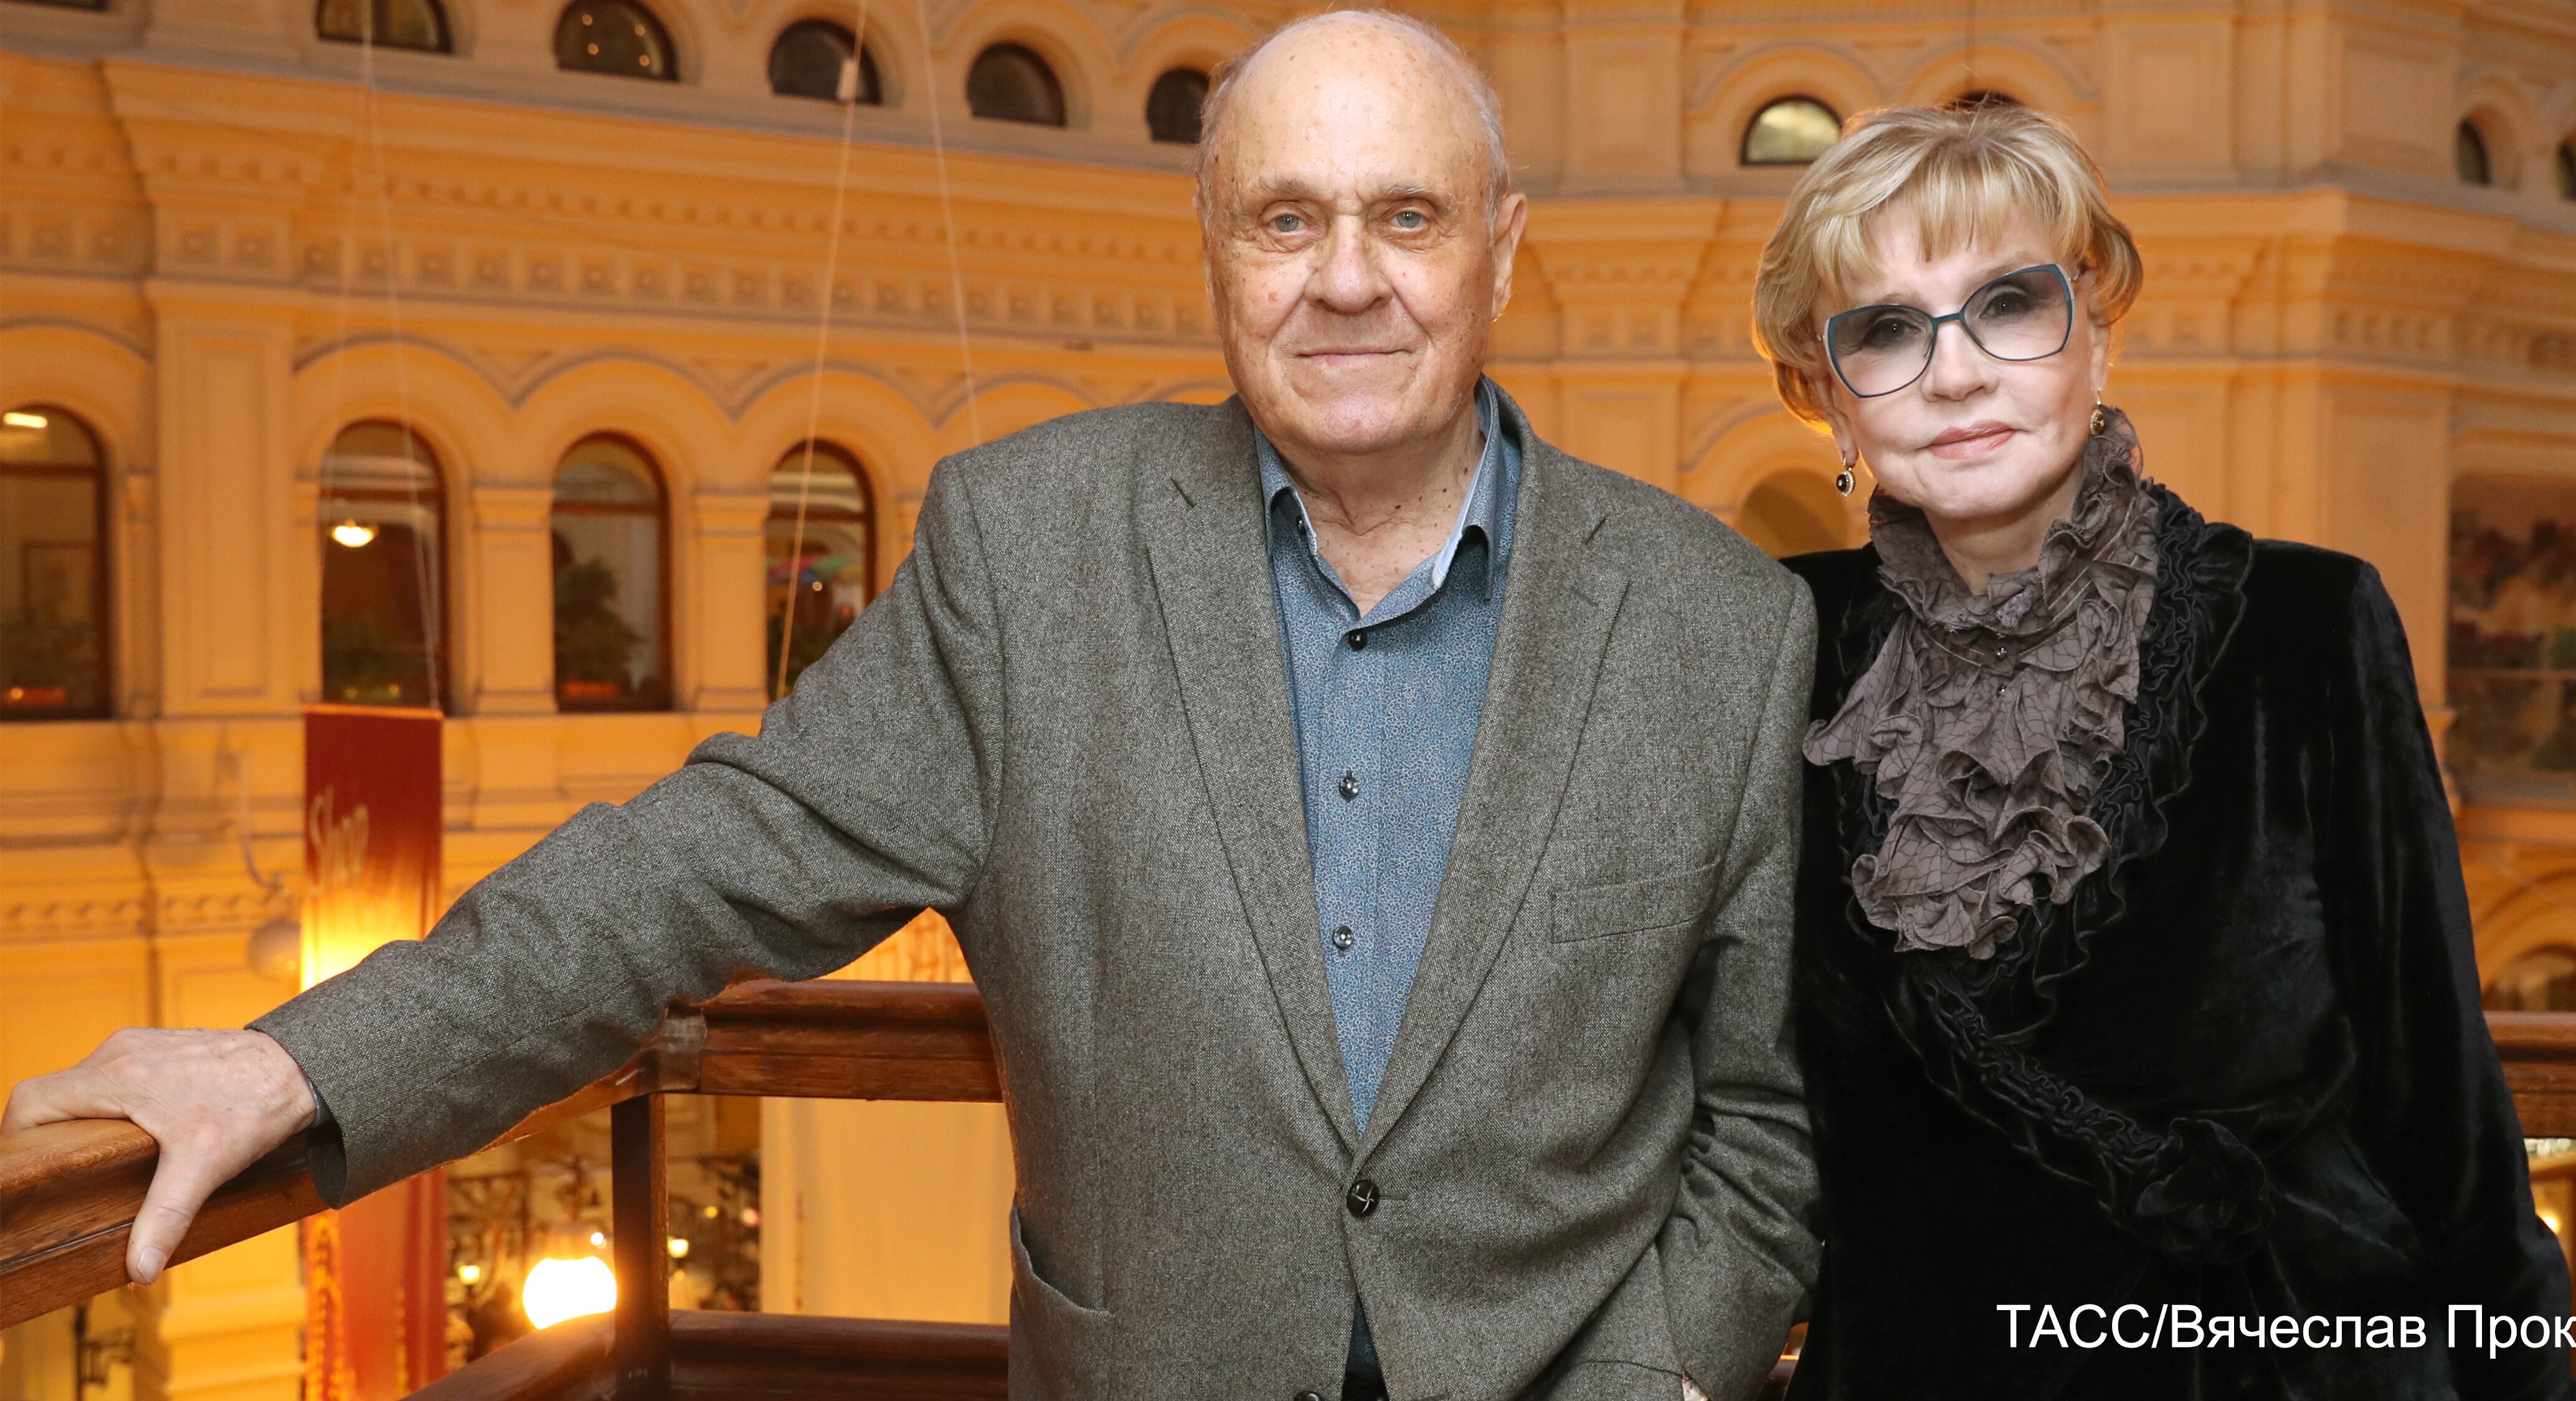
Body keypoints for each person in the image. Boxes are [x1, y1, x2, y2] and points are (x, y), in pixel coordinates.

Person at [1, 15, 1817, 1401]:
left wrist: (1668, 1377)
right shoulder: (1028, 556)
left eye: (1406, 215)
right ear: (1214, 244)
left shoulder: (1718, 625)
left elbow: (1766, 1109)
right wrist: (294, 1064)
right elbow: (693, 868)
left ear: (1502, 245)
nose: (1346, 276)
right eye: (1287, 217)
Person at [1751, 103, 2576, 1399]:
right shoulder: (1773, 645)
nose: (1955, 375)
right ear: (1827, 392)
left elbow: (2441, 1102)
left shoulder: (2305, 626)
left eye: (2008, 305)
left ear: (2098, 327)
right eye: (1889, 331)